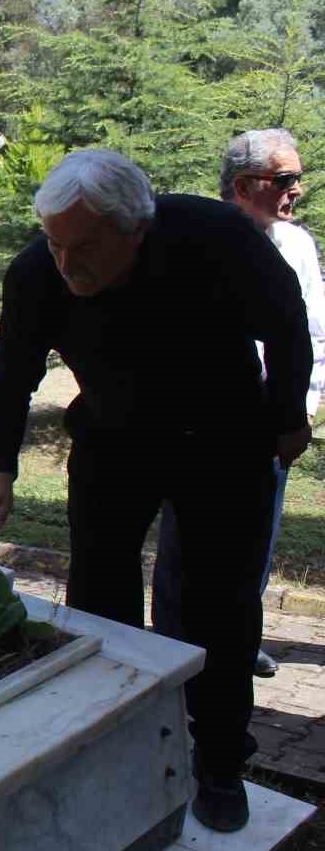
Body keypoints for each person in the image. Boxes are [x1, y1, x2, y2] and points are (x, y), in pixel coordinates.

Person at [0, 150, 313, 833]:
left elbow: (287, 320)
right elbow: (13, 371)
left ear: (135, 229)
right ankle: (112, 740)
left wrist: (288, 414)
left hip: (223, 438)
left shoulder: (215, 237)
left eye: (84, 247)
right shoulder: (40, 268)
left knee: (220, 604)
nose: (67, 262)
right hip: (114, 441)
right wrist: (0, 466)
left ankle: (218, 760)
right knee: (99, 600)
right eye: (57, 243)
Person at [152, 129, 325, 678]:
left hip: (272, 422)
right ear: (247, 185)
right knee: (184, 543)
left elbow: (313, 333)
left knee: (256, 542)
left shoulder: (296, 244)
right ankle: (174, 648)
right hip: (203, 422)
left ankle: (237, 642)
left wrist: (304, 408)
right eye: (286, 180)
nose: (297, 190)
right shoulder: (198, 235)